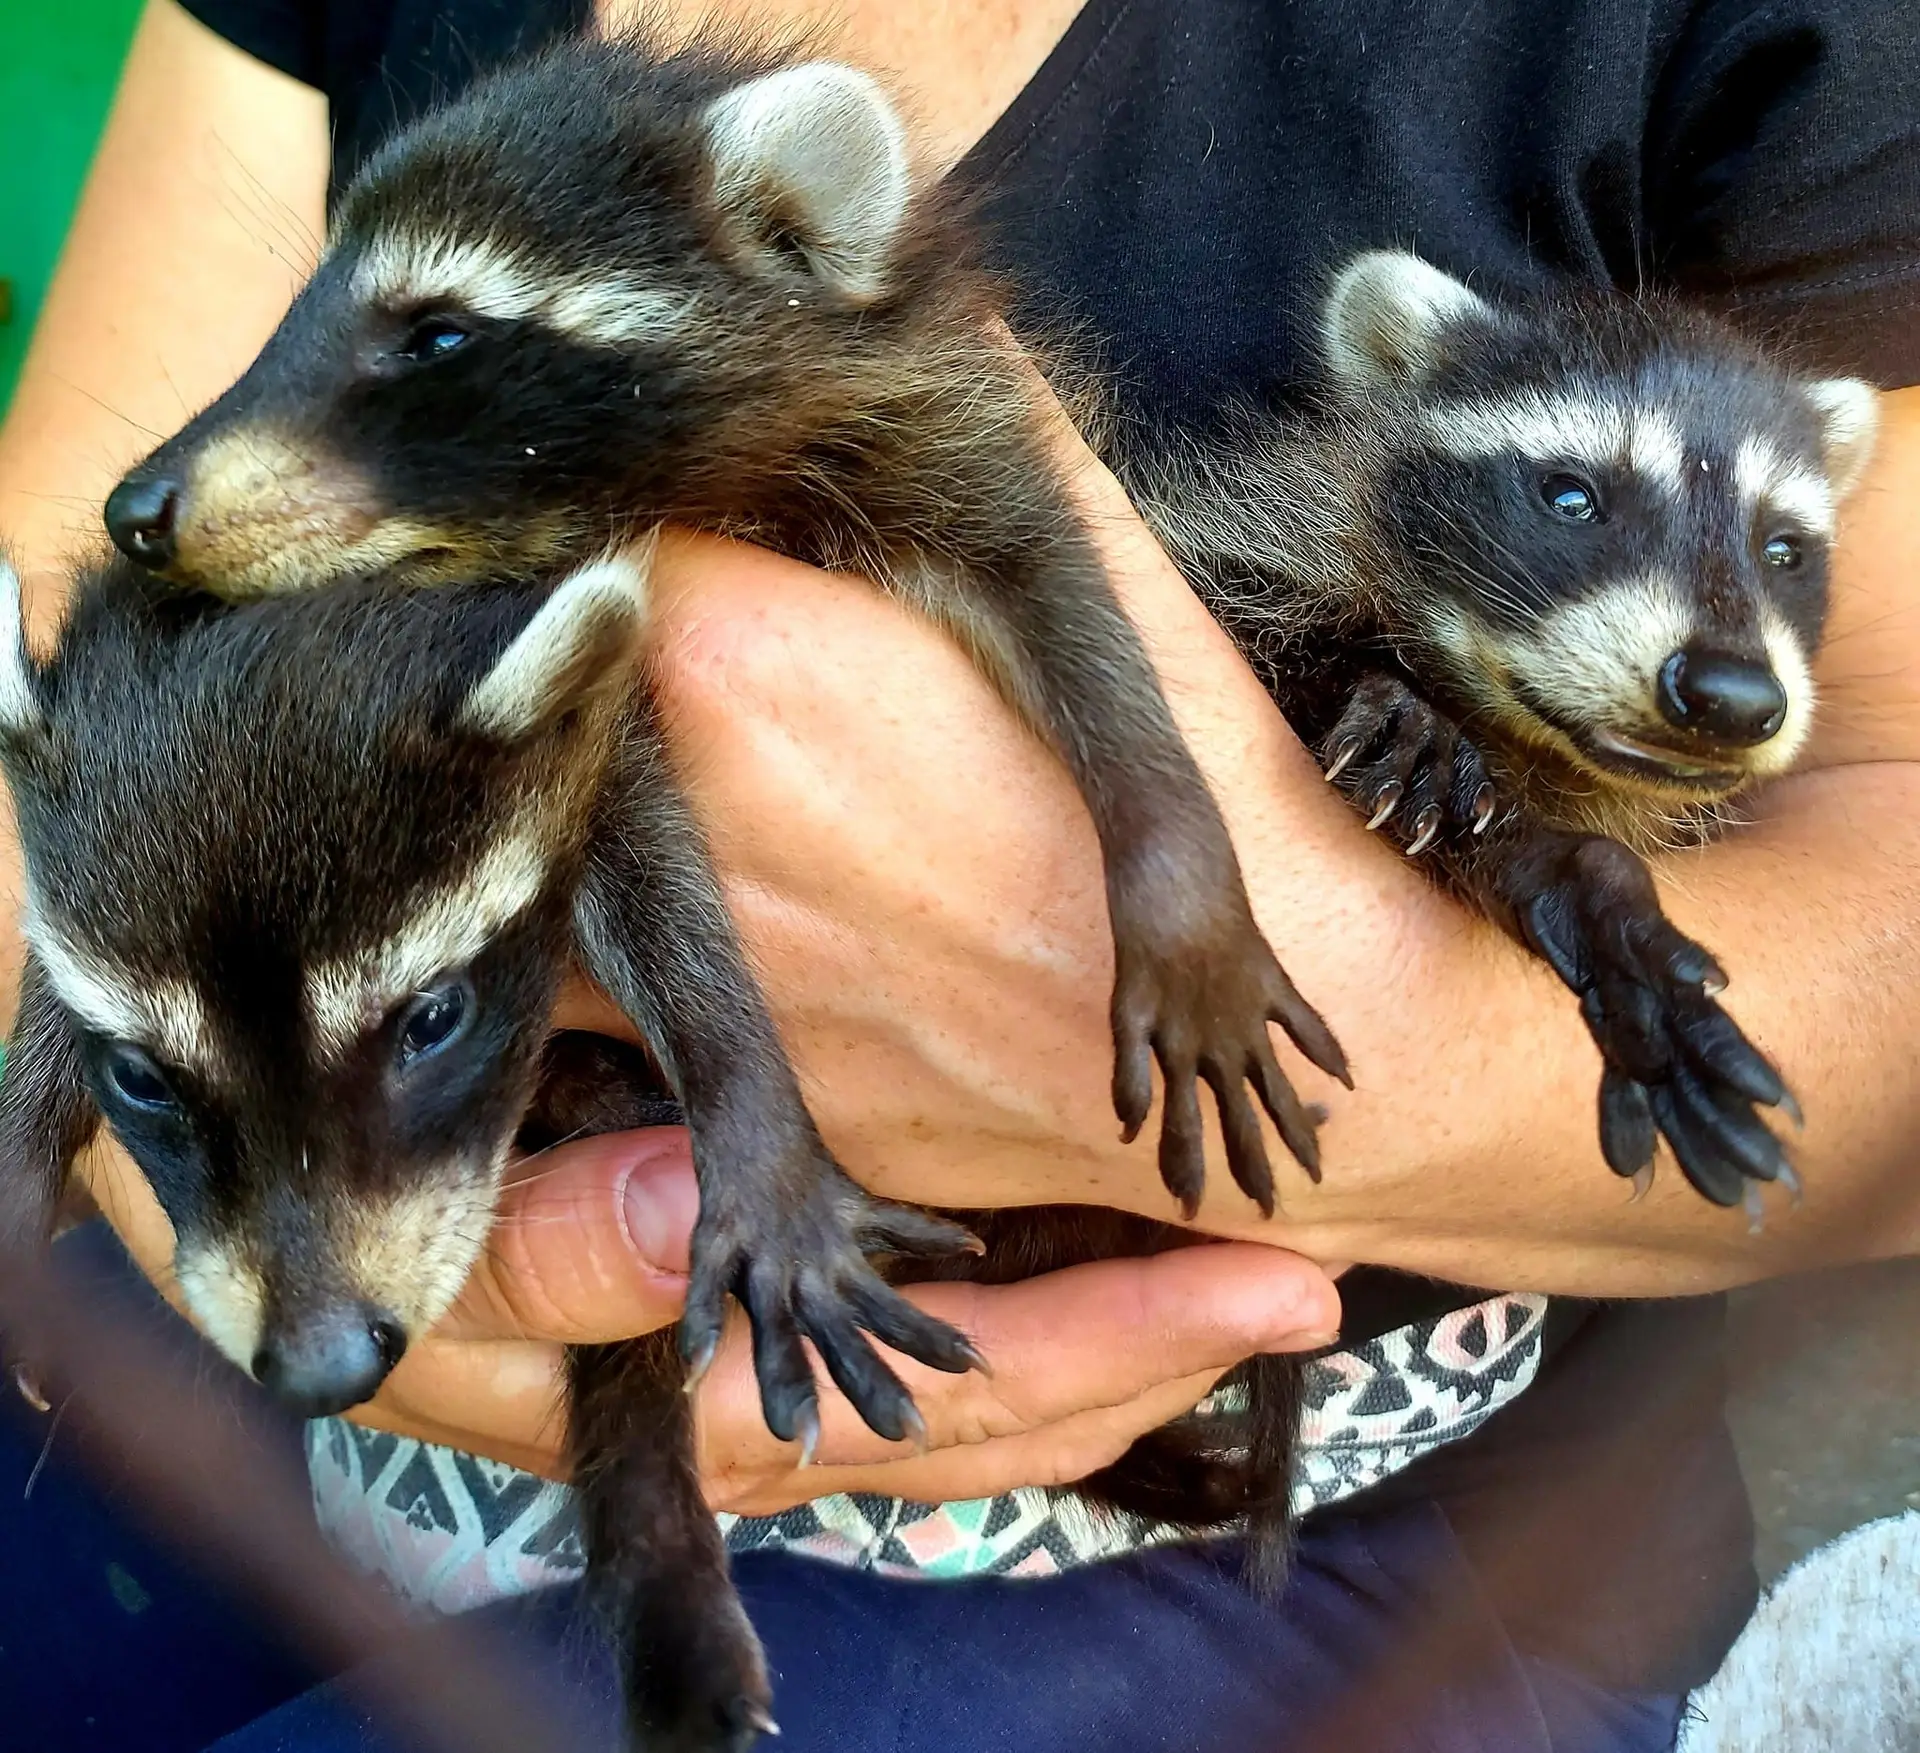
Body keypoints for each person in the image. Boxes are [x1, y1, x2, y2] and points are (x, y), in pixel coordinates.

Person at [0, 0, 1915, 1747]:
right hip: (312, 1231)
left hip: (1301, 1532)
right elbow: (66, 650)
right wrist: (161, 1160)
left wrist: (1292, 1018)